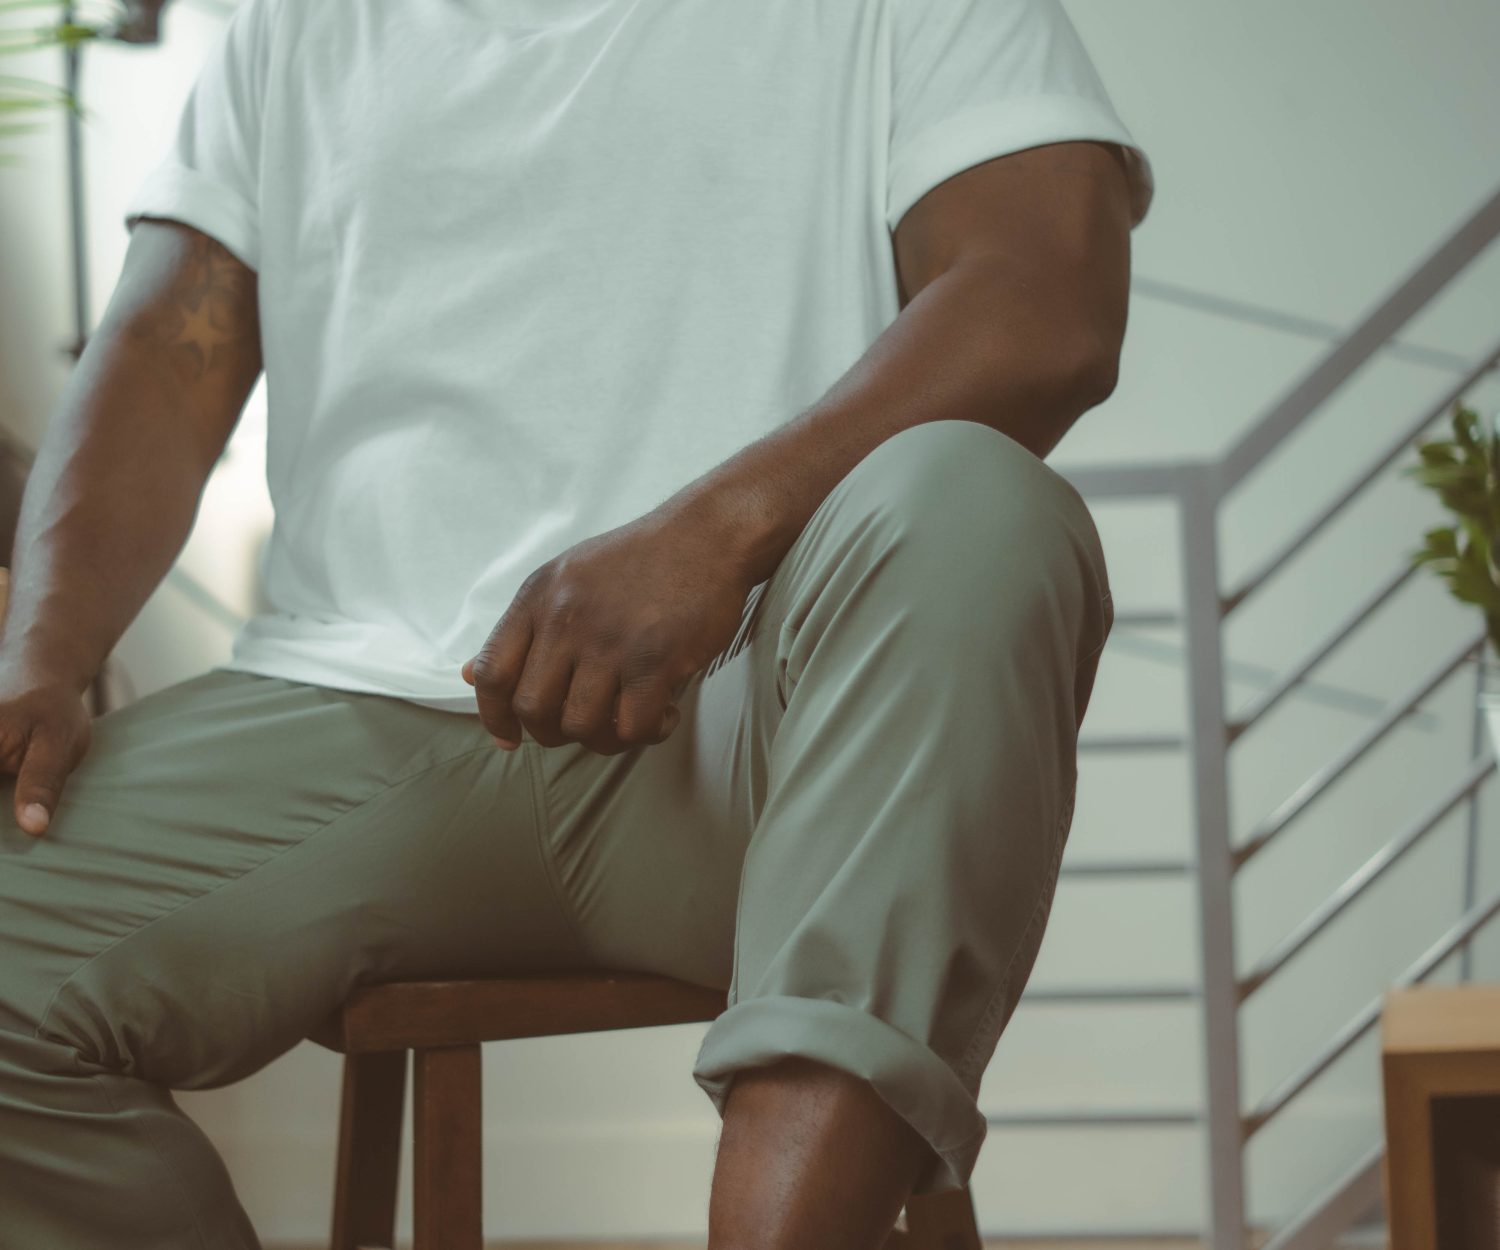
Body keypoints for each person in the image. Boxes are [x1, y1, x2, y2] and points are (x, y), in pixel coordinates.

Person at [0, 0, 1153, 1244]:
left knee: (981, 501)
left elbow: (1047, 299)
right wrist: (41, 650)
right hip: (350, 712)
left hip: (753, 724)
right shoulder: (295, 23)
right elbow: (162, 349)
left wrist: (711, 537)